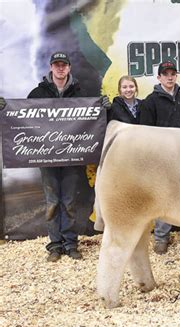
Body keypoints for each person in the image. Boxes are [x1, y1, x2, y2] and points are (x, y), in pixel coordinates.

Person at [26, 51, 110, 262]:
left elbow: (93, 119)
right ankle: (55, 245)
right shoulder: (37, 93)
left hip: (73, 157)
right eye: (57, 65)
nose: (60, 68)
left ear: (69, 68)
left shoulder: (80, 92)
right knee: (52, 202)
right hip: (46, 157)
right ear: (51, 68)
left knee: (70, 202)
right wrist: (5, 110)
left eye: (64, 65)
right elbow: (22, 117)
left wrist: (104, 108)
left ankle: (71, 244)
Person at [139, 61, 180, 254]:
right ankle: (161, 237)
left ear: (176, 76)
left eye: (172, 73)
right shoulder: (150, 101)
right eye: (165, 74)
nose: (169, 77)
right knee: (162, 197)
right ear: (158, 77)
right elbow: (146, 132)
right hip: (161, 159)